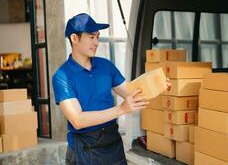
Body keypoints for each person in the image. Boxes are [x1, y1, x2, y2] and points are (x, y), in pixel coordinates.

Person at [52, 13, 167, 165]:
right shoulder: (62, 75)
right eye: (91, 37)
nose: (96, 42)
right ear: (74, 39)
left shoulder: (105, 66)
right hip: (84, 148)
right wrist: (122, 109)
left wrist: (159, 84)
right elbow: (78, 120)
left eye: (98, 37)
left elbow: (133, 93)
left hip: (112, 142)